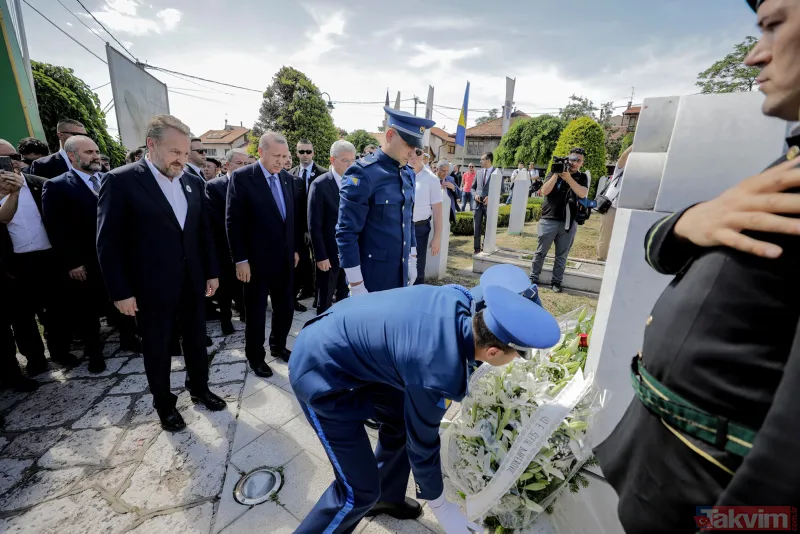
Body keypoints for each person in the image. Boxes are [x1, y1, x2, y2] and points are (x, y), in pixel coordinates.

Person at [595, 1, 800, 530]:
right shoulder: (787, 166)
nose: (755, 55)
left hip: (714, 493)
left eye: (775, 25)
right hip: (664, 471)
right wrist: (691, 221)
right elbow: (659, 248)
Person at [288, 268, 562, 533]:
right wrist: (442, 508)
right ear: (492, 352)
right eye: (516, 354)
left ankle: (386, 495)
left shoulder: (459, 301)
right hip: (320, 373)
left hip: (342, 341)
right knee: (358, 492)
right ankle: (370, 496)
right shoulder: (438, 370)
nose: (515, 359)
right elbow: (423, 443)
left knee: (400, 418)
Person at [97, 115, 225, 432]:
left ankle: (200, 389)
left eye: (185, 153)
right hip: (150, 287)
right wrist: (120, 291)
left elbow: (203, 233)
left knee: (197, 342)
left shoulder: (193, 182)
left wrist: (211, 271)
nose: (181, 160)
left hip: (193, 283)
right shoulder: (121, 181)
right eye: (174, 152)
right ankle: (164, 405)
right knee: (158, 349)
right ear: (151, 145)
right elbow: (108, 243)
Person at [226, 132, 303, 379]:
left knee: (286, 308)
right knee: (257, 313)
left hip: (284, 261)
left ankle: (278, 345)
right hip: (255, 263)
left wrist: (295, 248)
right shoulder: (242, 178)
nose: (281, 161)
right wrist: (241, 259)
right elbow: (233, 222)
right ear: (261, 152)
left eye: (285, 156)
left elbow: (291, 220)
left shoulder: (288, 180)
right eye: (276, 156)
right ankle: (256, 357)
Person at [337, 107, 434, 295]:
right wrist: (356, 284)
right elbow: (346, 233)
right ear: (390, 135)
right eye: (409, 145)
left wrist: (412, 259)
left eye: (417, 148)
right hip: (371, 279)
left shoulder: (407, 173)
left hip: (401, 274)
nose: (413, 153)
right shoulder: (363, 173)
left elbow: (408, 220)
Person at [0, 139, 77, 374]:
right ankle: (35, 359)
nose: (12, 162)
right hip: (13, 265)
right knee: (22, 316)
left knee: (56, 309)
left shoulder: (41, 185)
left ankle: (60, 351)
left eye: (14, 156)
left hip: (48, 258)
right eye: (4, 159)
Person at [42, 135, 111, 373]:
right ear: (72, 156)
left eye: (96, 151)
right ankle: (94, 353)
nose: (96, 156)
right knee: (87, 309)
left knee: (119, 299)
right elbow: (55, 228)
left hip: (114, 257)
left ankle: (130, 340)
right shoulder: (57, 185)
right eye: (89, 152)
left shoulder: (110, 180)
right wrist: (72, 262)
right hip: (85, 261)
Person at [529, 148, 589, 293]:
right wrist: (556, 175)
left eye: (578, 160)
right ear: (568, 159)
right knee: (540, 251)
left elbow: (582, 193)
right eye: (573, 159)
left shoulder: (582, 177)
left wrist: (568, 178)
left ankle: (556, 282)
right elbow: (544, 191)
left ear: (582, 163)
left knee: (562, 255)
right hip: (549, 218)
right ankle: (533, 277)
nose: (575, 163)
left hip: (568, 222)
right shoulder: (554, 170)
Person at [205, 148, 249, 335]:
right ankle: (225, 320)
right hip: (224, 246)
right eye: (239, 163)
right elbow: (215, 219)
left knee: (245, 284)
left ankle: (246, 313)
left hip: (247, 246)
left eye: (246, 164)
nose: (243, 167)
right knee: (225, 287)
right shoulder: (215, 186)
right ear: (227, 165)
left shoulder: (250, 184)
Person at [307, 140, 353, 314]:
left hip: (349, 252)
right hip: (328, 255)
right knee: (325, 298)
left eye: (352, 160)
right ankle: (321, 332)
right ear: (332, 160)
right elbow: (314, 224)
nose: (350, 164)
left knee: (344, 295)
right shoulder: (320, 185)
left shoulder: (354, 182)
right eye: (345, 160)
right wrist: (321, 256)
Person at [289, 139, 328, 311]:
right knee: (301, 263)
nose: (305, 155)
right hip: (298, 230)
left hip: (319, 228)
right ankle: (304, 290)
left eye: (308, 152)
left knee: (321, 261)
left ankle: (320, 296)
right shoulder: (290, 174)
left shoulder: (323, 174)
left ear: (313, 153)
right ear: (297, 153)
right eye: (302, 151)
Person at [409, 148, 442, 286]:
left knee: (418, 269)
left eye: (418, 152)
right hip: (399, 227)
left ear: (424, 154)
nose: (414, 156)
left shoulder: (431, 179)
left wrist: (437, 237)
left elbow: (438, 212)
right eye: (410, 151)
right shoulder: (399, 173)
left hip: (419, 229)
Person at [596, 146, 632, 261]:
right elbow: (623, 157)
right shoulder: (621, 169)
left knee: (623, 236)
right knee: (605, 235)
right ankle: (601, 258)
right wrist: (635, 145)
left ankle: (617, 259)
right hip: (611, 207)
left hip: (627, 209)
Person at [471, 152, 496, 254]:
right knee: (476, 227)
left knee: (488, 227)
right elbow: (472, 188)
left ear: (488, 160)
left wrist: (491, 197)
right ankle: (476, 249)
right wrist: (475, 195)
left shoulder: (496, 173)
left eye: (482, 159)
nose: (480, 161)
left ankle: (485, 246)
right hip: (477, 205)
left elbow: (502, 190)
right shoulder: (479, 172)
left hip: (489, 206)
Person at [437, 160, 461, 224]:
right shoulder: (431, 179)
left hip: (447, 212)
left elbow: (459, 193)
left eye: (447, 171)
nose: (445, 173)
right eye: (443, 171)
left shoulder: (450, 179)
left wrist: (453, 188)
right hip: (434, 212)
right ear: (437, 169)